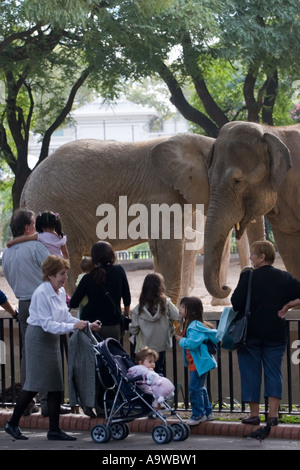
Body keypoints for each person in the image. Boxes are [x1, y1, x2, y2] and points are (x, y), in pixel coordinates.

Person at [4, 255, 101, 441]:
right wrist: (73, 327)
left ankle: (54, 429)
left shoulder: (59, 291)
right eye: (61, 274)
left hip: (51, 339)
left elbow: (65, 317)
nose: (65, 277)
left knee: (56, 384)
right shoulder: (41, 293)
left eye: (65, 273)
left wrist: (86, 324)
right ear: (50, 275)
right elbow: (48, 324)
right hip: (39, 338)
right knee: (34, 384)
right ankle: (12, 423)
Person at [231, 240, 300, 426]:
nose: (251, 257)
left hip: (250, 335)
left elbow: (236, 302)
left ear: (262, 257)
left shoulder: (249, 277)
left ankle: (254, 415)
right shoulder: (285, 277)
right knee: (274, 373)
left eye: (253, 254)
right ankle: (273, 415)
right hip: (276, 334)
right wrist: (288, 306)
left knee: (250, 373)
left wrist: (242, 278)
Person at [2, 209, 50, 415]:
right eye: (34, 223)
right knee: (48, 353)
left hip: (22, 305)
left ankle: (27, 404)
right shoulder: (37, 247)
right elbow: (55, 271)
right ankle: (49, 405)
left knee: (27, 355)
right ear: (27, 227)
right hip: (41, 303)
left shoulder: (7, 253)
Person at [70, 241, 131, 341]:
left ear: (93, 257)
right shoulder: (119, 271)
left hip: (91, 327)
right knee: (113, 355)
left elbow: (73, 303)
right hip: (113, 325)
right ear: (111, 255)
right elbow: (127, 297)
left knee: (93, 356)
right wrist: (126, 314)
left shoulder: (87, 278)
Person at [175, 296, 218, 425]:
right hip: (197, 363)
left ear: (192, 311)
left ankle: (198, 415)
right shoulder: (192, 324)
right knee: (200, 387)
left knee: (194, 388)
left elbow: (193, 343)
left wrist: (180, 340)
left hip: (198, 363)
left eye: (183, 307)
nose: (180, 309)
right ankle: (208, 412)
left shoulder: (193, 326)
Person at [129, 273, 179, 375]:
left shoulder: (138, 309)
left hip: (144, 348)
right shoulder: (166, 304)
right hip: (161, 344)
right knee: (159, 371)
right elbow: (178, 316)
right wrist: (171, 327)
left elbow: (133, 330)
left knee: (144, 374)